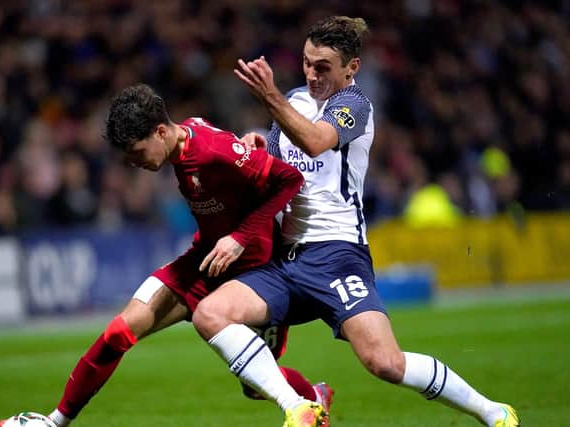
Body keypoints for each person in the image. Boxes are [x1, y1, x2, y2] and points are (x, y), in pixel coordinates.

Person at [192, 16, 520, 427]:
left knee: (384, 362)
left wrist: (269, 96)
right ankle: (301, 406)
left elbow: (313, 142)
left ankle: (493, 412)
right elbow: (275, 162)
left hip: (337, 253)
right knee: (211, 314)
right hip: (284, 260)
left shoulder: (355, 106)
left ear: (352, 68)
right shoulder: (293, 99)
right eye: (307, 63)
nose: (312, 74)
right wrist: (255, 146)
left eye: (323, 67)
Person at [0, 83, 330, 427]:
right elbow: (210, 131)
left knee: (257, 387)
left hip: (257, 270)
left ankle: (313, 398)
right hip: (204, 263)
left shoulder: (214, 151)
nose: (134, 162)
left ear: (160, 131)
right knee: (118, 332)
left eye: (137, 152)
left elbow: (289, 179)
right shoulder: (187, 136)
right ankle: (55, 422)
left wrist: (240, 237)